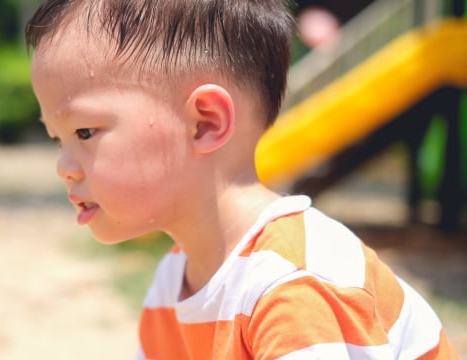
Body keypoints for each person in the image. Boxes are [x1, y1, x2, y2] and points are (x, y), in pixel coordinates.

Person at [24, 0, 458, 358]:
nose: (64, 165)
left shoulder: (295, 283)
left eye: (84, 132)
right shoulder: (172, 281)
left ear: (204, 123)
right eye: (57, 139)